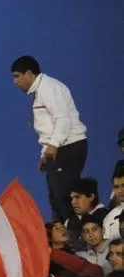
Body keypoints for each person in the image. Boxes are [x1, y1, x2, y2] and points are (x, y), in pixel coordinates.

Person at [11, 55, 88, 222]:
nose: (15, 82)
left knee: (65, 199)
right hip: (58, 148)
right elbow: (48, 129)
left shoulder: (49, 87)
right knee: (56, 200)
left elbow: (63, 119)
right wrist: (45, 154)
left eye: (17, 76)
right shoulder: (39, 92)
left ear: (29, 73)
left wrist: (53, 146)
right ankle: (63, 242)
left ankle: (75, 242)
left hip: (69, 147)